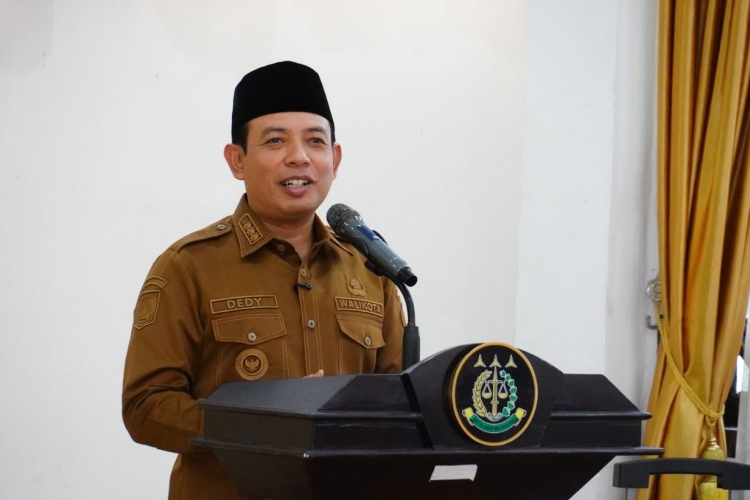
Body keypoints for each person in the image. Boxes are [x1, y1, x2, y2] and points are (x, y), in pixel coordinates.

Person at [122, 61, 405, 500]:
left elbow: (400, 408)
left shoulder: (372, 271)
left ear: (335, 159)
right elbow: (145, 406)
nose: (299, 156)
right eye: (275, 140)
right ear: (237, 160)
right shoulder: (188, 267)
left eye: (315, 141)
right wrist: (262, 424)